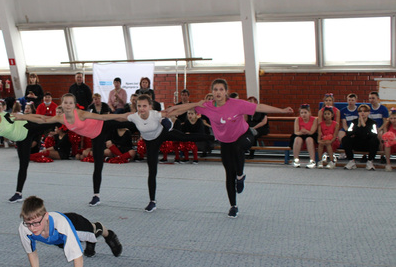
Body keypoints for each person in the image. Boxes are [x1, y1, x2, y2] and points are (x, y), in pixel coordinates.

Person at [165, 79, 293, 218]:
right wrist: (172, 110)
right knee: (229, 174)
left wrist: (282, 110)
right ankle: (233, 206)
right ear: (212, 92)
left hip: (244, 135)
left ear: (226, 91)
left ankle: (240, 175)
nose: (218, 92)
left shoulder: (237, 104)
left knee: (238, 148)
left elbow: (259, 107)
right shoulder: (208, 106)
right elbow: (187, 108)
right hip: (226, 142)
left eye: (221, 89)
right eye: (215, 90)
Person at [22, 93, 135, 206]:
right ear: (62, 104)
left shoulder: (80, 113)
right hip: (96, 137)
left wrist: (123, 115)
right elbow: (42, 119)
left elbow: (103, 117)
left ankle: (140, 117)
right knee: (98, 165)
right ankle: (96, 196)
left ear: (74, 105)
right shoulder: (61, 118)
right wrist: (21, 116)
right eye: (66, 102)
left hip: (103, 126)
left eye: (71, 103)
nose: (68, 105)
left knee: (128, 122)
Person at [109, 95, 213, 212]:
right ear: (136, 106)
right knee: (152, 171)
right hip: (151, 142)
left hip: (162, 133)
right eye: (139, 106)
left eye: (144, 106)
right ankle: (152, 201)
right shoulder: (134, 116)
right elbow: (114, 116)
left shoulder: (156, 114)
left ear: (150, 106)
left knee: (184, 137)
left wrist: (197, 104)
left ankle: (212, 137)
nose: (142, 108)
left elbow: (179, 110)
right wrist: (95, 117)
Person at [18, 196, 122, 267]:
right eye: (28, 223)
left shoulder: (62, 226)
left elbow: (77, 257)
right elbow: (31, 252)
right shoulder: (24, 228)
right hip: (59, 238)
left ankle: (108, 234)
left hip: (75, 224)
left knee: (93, 231)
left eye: (36, 223)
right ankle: (90, 242)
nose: (32, 228)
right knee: (66, 244)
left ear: (46, 216)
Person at [0, 100, 53, 202]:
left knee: (50, 123)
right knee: (23, 165)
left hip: (28, 127)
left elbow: (26, 117)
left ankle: (67, 118)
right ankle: (18, 193)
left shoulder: (6, 116)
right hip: (21, 140)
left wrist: (41, 118)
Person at [341, 104, 380, 170]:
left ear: (369, 112)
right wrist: (358, 126)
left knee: (375, 140)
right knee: (345, 139)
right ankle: (351, 161)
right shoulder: (354, 122)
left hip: (367, 144)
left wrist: (364, 125)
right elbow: (349, 133)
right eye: (360, 111)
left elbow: (374, 134)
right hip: (357, 143)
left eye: (365, 111)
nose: (362, 113)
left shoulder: (372, 123)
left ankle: (370, 161)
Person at [290, 104, 318, 168]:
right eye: (302, 113)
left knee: (309, 139)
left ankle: (312, 160)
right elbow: (296, 132)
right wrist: (302, 132)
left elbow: (312, 132)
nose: (303, 115)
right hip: (300, 134)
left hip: (311, 135)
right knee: (297, 139)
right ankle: (296, 159)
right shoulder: (297, 119)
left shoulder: (314, 120)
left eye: (305, 112)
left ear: (309, 113)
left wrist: (306, 131)